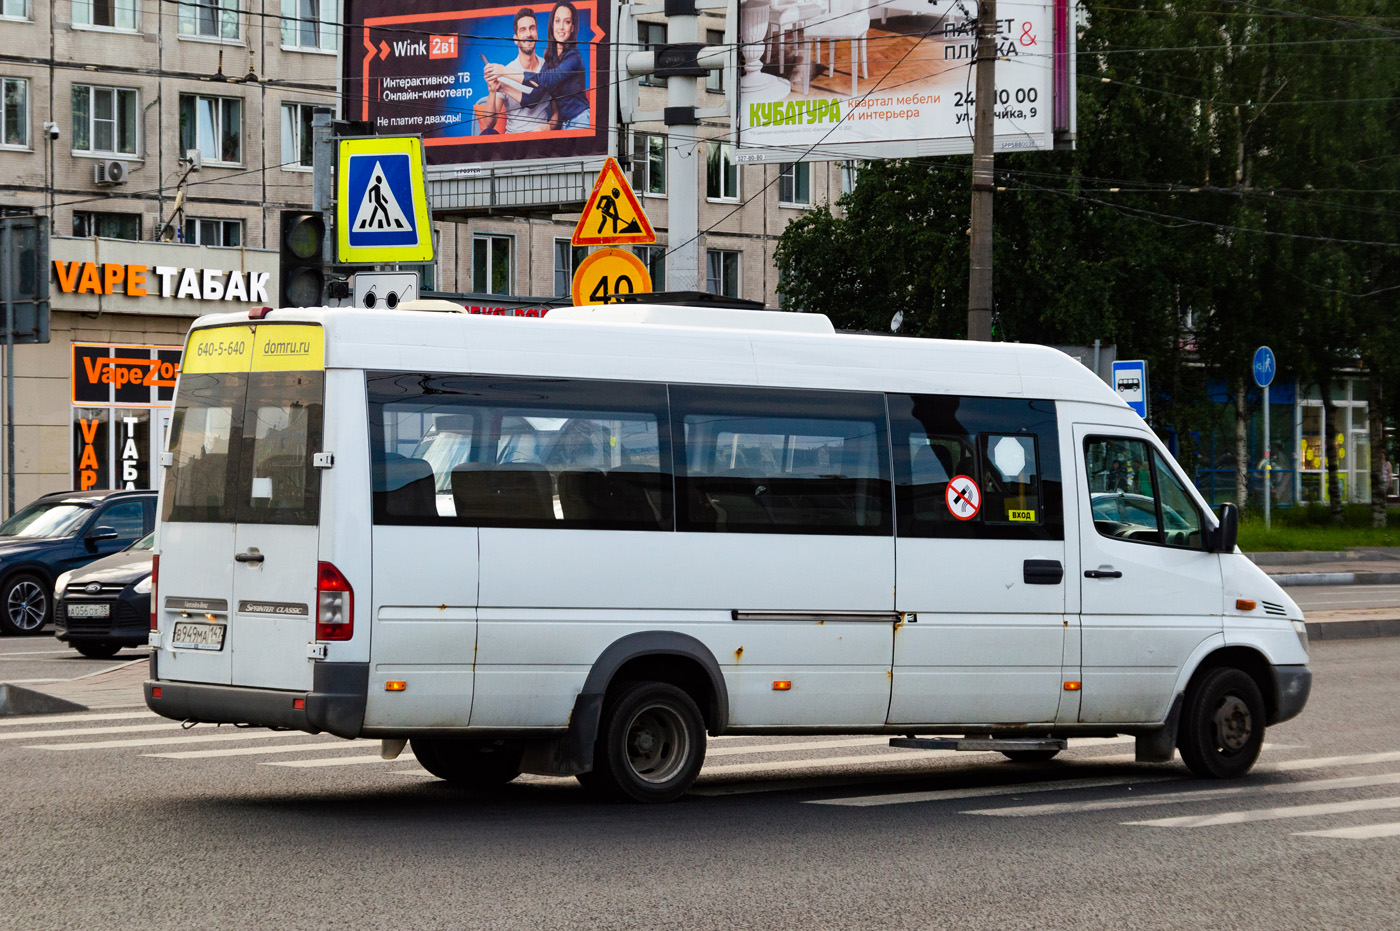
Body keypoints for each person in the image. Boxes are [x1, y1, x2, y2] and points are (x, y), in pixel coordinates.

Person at [483, 1, 590, 131]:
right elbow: (532, 100)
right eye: (557, 21)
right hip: (562, 126)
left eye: (567, 22)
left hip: (579, 120)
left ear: (572, 28)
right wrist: (502, 86)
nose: (561, 27)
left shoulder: (573, 57)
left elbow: (543, 80)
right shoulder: (551, 60)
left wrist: (503, 70)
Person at [480, 9, 553, 135]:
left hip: (540, 139)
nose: (528, 34)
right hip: (513, 143)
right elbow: (488, 124)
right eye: (523, 30)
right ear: (516, 39)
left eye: (532, 28)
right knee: (487, 134)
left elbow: (557, 112)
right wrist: (492, 91)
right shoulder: (503, 73)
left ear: (537, 33)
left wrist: (548, 127)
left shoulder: (548, 68)